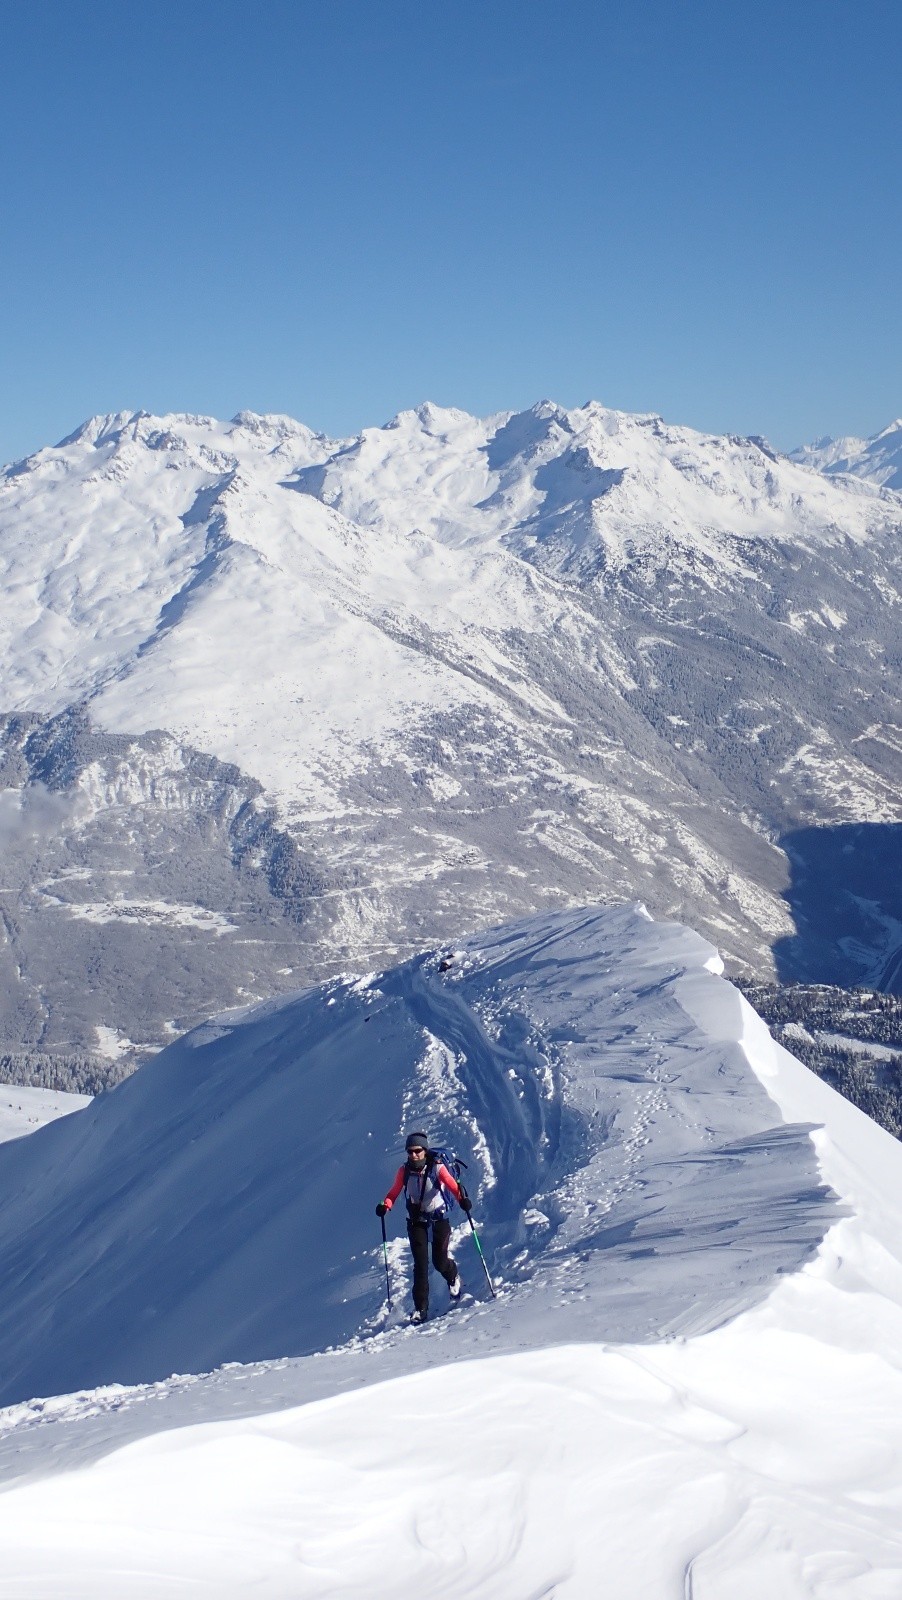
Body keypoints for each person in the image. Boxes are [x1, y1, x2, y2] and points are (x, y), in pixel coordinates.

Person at [376, 1131, 472, 1323]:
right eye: (410, 1151)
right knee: (420, 1266)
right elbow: (394, 1192)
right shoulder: (404, 1171)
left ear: (425, 1150)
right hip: (416, 1220)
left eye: (417, 1151)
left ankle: (453, 1277)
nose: (414, 1155)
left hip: (439, 1218)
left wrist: (463, 1200)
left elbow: (453, 1187)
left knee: (439, 1261)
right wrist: (385, 1205)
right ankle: (421, 1309)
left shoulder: (437, 1169)